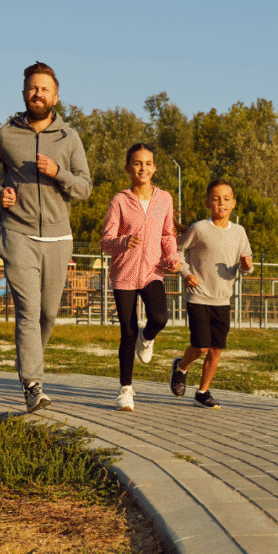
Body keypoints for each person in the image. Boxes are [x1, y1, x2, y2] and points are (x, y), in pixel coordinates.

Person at [0, 62, 93, 413]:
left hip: (58, 238)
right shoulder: (5, 134)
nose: (37, 93)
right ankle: (33, 384)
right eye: (32, 87)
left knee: (48, 315)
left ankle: (29, 365)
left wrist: (59, 173)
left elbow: (85, 187)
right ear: (24, 92)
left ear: (56, 96)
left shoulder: (68, 138)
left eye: (44, 88)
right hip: (18, 232)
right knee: (28, 311)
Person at [100, 143, 181, 411]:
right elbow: (106, 240)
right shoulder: (120, 200)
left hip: (152, 271)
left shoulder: (164, 199)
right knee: (127, 331)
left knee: (160, 317)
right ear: (128, 168)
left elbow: (168, 233)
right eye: (137, 163)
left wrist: (173, 257)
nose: (142, 168)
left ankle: (147, 339)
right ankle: (126, 389)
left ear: (154, 167)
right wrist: (124, 241)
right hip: (124, 273)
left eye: (147, 163)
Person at [169, 178, 253, 409]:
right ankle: (181, 367)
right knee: (201, 346)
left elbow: (247, 263)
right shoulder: (199, 229)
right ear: (208, 203)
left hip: (223, 299)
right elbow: (177, 252)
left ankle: (202, 392)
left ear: (234, 203)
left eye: (226, 199)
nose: (221, 203)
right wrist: (186, 273)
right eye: (216, 199)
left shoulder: (239, 232)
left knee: (216, 349)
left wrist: (246, 266)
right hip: (198, 295)